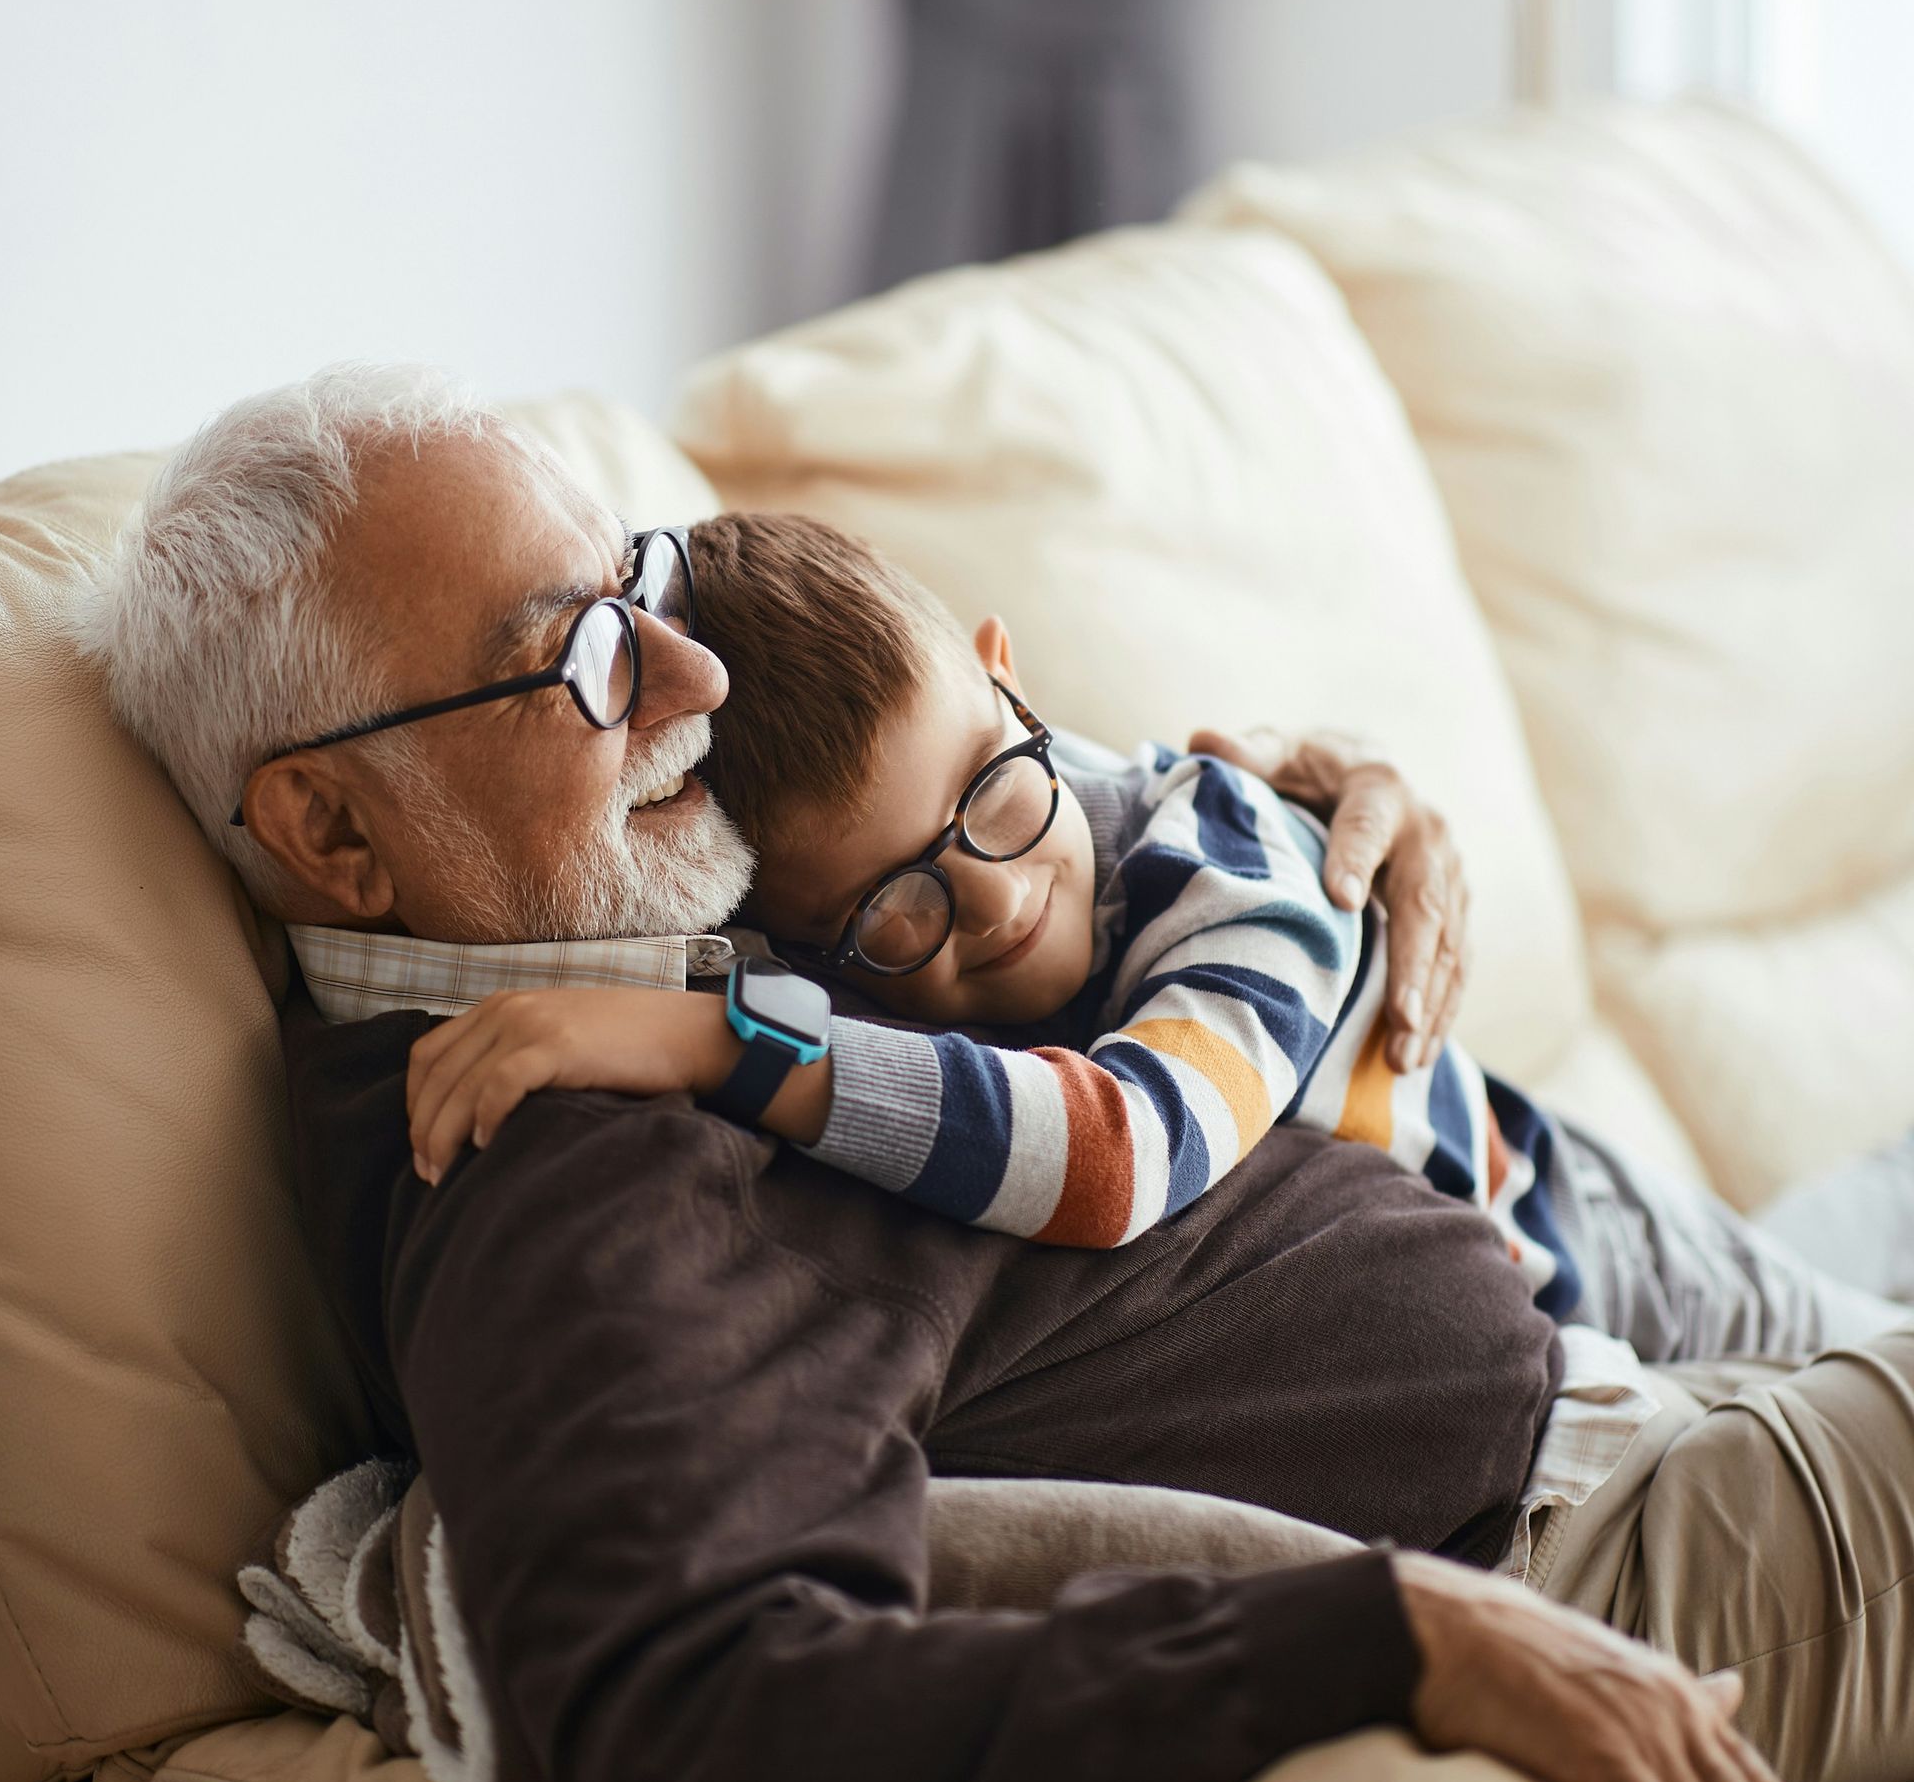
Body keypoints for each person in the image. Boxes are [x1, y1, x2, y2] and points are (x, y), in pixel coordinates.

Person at [76, 366, 1914, 1782]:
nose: (695, 678)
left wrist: (1257, 828)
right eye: (585, 654)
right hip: (1582, 1526)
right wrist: (1380, 1646)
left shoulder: (668, 914)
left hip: (1606, 1300)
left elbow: (978, 825)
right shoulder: (560, 1165)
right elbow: (713, 1771)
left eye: (645, 587)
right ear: (331, 831)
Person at [403, 512, 1913, 1435]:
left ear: (1012, 677)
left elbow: (1119, 1151)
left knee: (1868, 1380)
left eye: (995, 790)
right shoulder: (857, 965)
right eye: (898, 909)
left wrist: (719, 1045)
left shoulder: (1248, 870)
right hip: (1540, 1350)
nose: (991, 901)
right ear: (807, 940)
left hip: (1613, 1257)